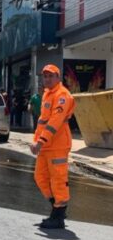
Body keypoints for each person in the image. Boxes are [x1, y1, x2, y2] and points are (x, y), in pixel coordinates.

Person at [30, 64, 75, 229]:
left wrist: (40, 141)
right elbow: (42, 121)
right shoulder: (47, 94)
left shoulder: (63, 95)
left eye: (51, 76)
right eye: (45, 76)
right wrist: (36, 141)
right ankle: (58, 209)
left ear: (58, 77)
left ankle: (58, 216)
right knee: (40, 178)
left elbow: (54, 122)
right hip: (45, 145)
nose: (47, 79)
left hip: (58, 145)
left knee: (58, 180)